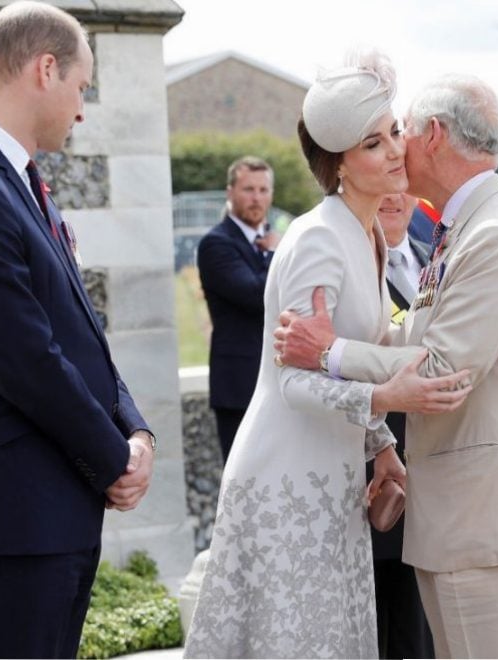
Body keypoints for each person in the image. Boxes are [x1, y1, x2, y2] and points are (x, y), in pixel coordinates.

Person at [274, 74, 498, 659]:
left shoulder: (494, 233)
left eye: (402, 132)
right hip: (473, 525)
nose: (396, 148)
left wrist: (328, 352)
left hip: (494, 529)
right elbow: (416, 335)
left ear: (435, 135)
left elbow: (441, 367)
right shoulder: (468, 227)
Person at [183, 52, 470, 659]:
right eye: (374, 143)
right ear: (338, 162)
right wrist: (385, 401)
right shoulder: (317, 238)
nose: (396, 150)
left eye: (394, 132)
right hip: (286, 471)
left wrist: (383, 444)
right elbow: (295, 381)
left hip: (333, 470)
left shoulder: (364, 231)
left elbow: (347, 357)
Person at [0, 2, 155, 657]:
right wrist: (113, 461)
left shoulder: (20, 182)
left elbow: (78, 323)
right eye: (82, 87)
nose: (82, 108)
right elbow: (27, 359)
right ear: (45, 69)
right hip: (20, 512)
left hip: (54, 507)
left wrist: (134, 427)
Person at [371, 192, 435, 660]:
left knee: (424, 631)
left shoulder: (434, 255)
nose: (394, 195)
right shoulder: (347, 258)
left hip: (438, 475)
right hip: (376, 472)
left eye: (404, 181)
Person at [197, 156, 278, 463]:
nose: (256, 198)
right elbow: (255, 294)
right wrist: (275, 253)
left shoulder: (273, 239)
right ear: (230, 192)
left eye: (263, 189)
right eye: (248, 189)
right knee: (244, 483)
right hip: (239, 386)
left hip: (279, 380)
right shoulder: (216, 244)